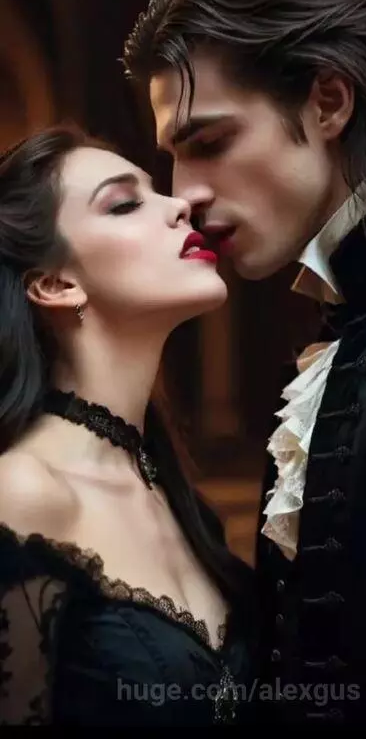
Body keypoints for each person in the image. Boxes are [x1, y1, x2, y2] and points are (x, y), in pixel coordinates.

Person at [122, 0, 366, 726]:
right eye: (174, 154)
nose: (184, 193)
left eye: (210, 141)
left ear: (328, 101)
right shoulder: (345, 338)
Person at [0, 123, 258, 726]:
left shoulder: (177, 497)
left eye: (156, 190)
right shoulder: (21, 492)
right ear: (56, 284)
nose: (180, 205)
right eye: (123, 204)